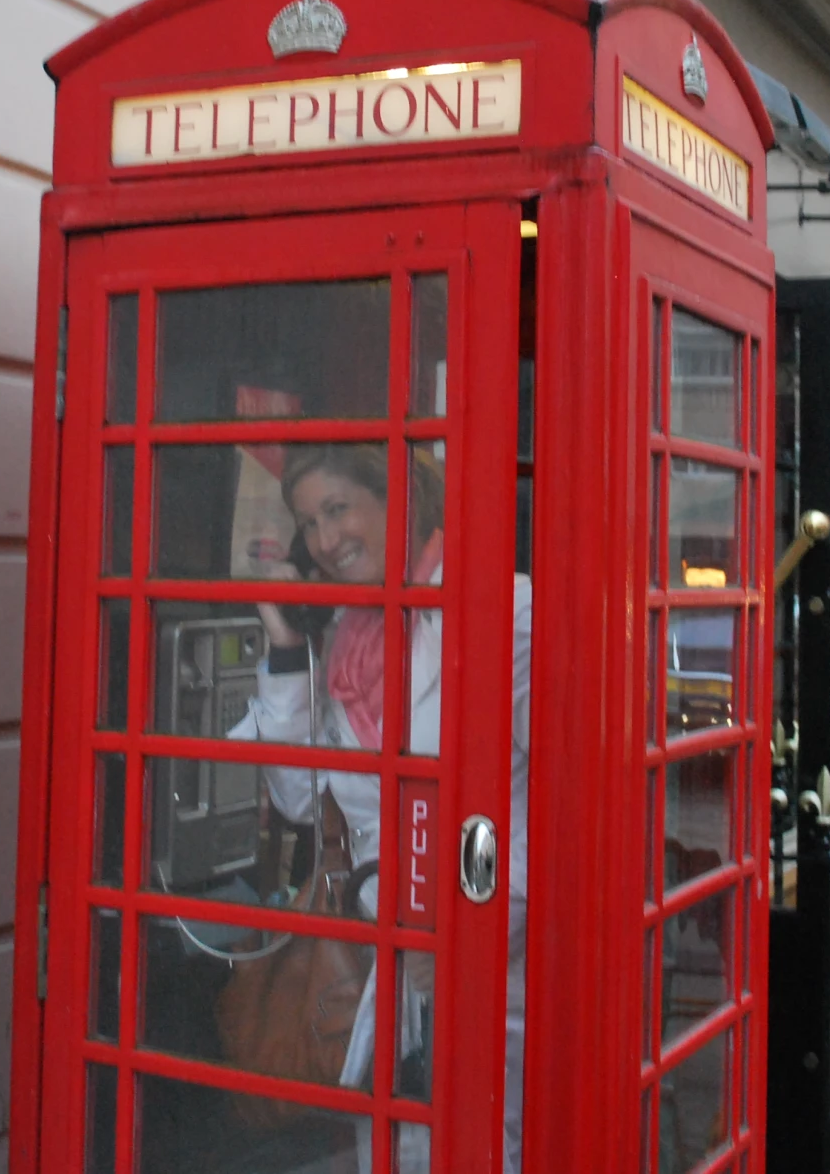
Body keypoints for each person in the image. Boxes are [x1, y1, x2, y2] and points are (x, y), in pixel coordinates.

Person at [230, 444, 533, 1172]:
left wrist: (476, 910)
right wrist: (282, 645)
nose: (324, 541)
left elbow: (556, 796)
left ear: (399, 500)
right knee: (395, 1147)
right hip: (382, 957)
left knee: (492, 1145)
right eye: (308, 524)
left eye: (338, 509)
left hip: (493, 954)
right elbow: (304, 799)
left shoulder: (503, 609)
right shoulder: (345, 634)